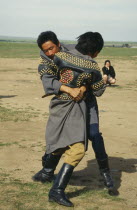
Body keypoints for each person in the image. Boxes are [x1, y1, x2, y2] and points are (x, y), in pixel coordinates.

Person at [33, 31, 114, 207]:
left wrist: (83, 88)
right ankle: (52, 182)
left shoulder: (62, 55)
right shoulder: (89, 65)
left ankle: (49, 176)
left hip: (75, 105)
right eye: (45, 50)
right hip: (72, 104)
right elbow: (98, 90)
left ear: (59, 44)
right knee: (74, 145)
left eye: (51, 49)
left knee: (79, 138)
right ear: (96, 52)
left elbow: (49, 75)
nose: (49, 53)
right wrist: (74, 88)